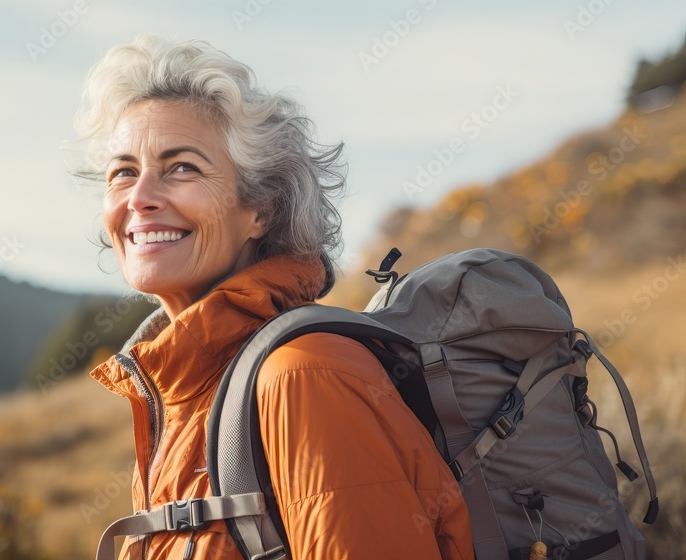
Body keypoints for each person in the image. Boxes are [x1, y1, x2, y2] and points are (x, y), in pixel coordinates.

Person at [74, 34, 474, 559]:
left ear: (260, 208)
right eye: (123, 172)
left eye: (182, 168)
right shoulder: (183, 391)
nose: (140, 198)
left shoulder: (305, 378)